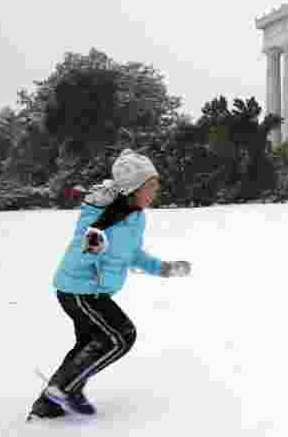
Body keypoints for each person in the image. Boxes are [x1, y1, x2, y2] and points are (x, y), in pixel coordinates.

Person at [28, 150, 192, 420]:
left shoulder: (136, 216)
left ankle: (49, 405)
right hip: (78, 289)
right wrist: (93, 245)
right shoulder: (104, 212)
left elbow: (131, 253)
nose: (156, 191)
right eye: (151, 185)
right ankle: (63, 389)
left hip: (92, 291)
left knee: (90, 344)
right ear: (134, 188)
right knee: (121, 335)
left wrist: (163, 268)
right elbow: (85, 240)